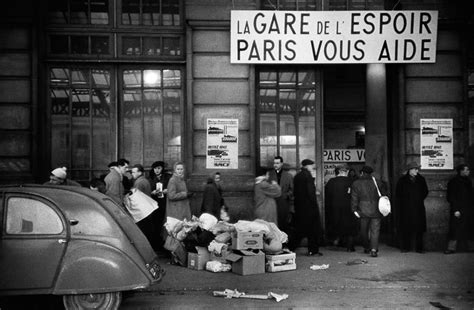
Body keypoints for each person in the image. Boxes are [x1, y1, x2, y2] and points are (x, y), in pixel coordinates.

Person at [351, 165, 386, 257]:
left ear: (362, 173)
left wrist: (354, 210)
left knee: (363, 231)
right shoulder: (378, 182)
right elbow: (384, 195)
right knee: (375, 230)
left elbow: (354, 198)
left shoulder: (356, 183)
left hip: (362, 210)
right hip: (376, 209)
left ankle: (366, 247)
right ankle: (374, 250)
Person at [289, 159, 323, 256]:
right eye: (311, 165)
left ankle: (290, 247)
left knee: (300, 230)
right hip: (309, 208)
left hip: (300, 207)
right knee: (312, 231)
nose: (312, 167)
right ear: (307, 166)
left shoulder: (297, 176)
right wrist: (314, 201)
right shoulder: (307, 176)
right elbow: (310, 193)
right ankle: (313, 250)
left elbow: (296, 192)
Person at [395, 161, 428, 253]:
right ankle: (406, 247)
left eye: (417, 169)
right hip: (406, 208)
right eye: (415, 169)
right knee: (406, 228)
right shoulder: (402, 180)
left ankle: (419, 248)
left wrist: (418, 199)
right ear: (410, 170)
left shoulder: (421, 179)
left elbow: (425, 191)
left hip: (418, 207)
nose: (417, 171)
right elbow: (398, 193)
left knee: (419, 229)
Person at [325, 164, 357, 251]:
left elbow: (327, 196)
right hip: (348, 207)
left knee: (336, 225)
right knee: (349, 227)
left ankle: (336, 241)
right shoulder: (351, 181)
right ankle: (350, 246)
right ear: (345, 172)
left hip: (334, 207)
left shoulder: (331, 182)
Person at [444, 164, 473, 254]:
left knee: (470, 228)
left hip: (468, 208)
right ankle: (451, 248)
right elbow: (451, 196)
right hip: (458, 209)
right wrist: (456, 209)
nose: (468, 171)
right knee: (455, 229)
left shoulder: (468, 181)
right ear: (461, 171)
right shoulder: (454, 182)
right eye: (466, 169)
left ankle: (471, 247)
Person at [149, 161, 171, 250]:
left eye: (159, 168)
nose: (157, 170)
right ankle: (156, 245)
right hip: (154, 204)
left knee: (165, 224)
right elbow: (148, 190)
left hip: (165, 203)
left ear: (162, 168)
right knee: (155, 224)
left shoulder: (167, 177)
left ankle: (164, 245)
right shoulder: (151, 178)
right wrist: (152, 192)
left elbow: (172, 188)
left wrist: (167, 190)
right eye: (155, 169)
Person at [268, 156, 294, 234]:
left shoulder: (288, 176)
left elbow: (292, 189)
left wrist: (286, 195)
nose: (275, 165)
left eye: (277, 163)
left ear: (281, 164)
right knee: (273, 223)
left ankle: (284, 241)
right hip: (272, 202)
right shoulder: (269, 175)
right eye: (274, 163)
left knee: (283, 222)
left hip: (284, 202)